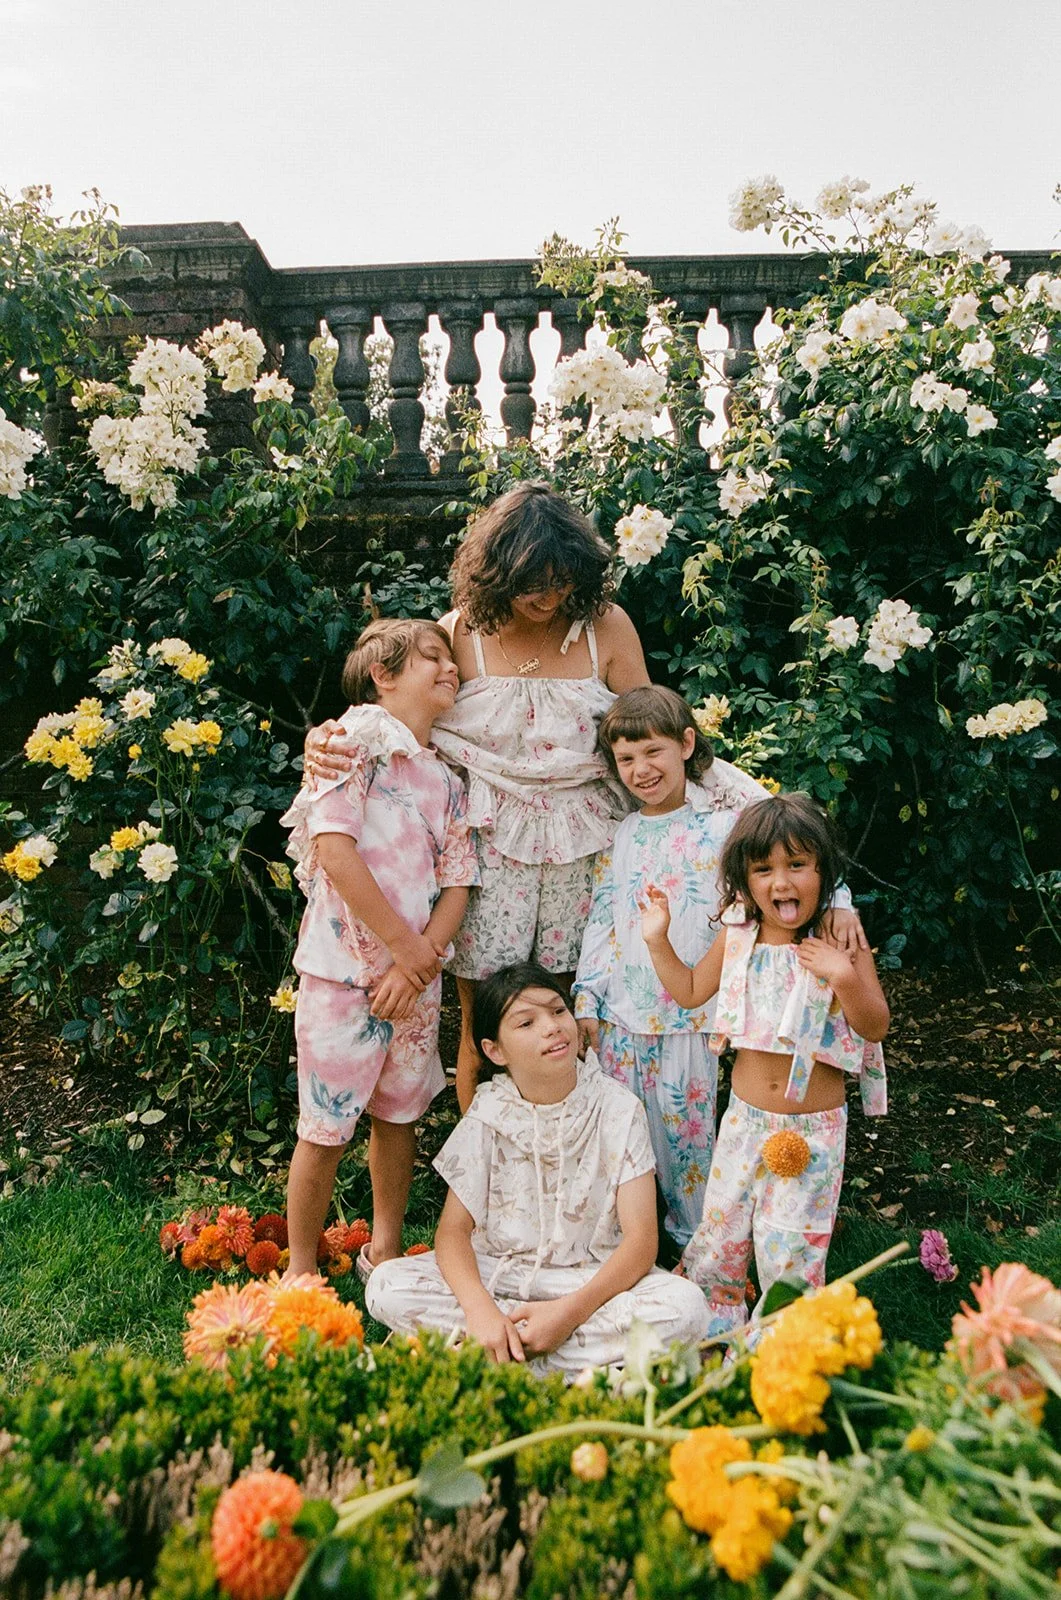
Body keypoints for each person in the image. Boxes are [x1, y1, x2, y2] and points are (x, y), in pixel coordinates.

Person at [303, 483, 650, 1109]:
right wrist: (324, 738)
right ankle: (484, 1162)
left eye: (562, 580)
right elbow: (394, 718)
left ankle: (565, 1152)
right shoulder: (459, 633)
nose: (549, 597)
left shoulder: (607, 627)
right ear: (497, 574)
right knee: (484, 1022)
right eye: (531, 583)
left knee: (567, 1014)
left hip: (586, 847)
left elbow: (649, 730)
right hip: (487, 849)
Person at [573, 687, 865, 1252]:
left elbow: (794, 863)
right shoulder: (622, 833)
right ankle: (623, 1248)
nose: (640, 769)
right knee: (623, 1140)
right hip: (623, 1020)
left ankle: (699, 1254)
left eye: (652, 752)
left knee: (691, 1151)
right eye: (626, 759)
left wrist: (841, 902)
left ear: (686, 745)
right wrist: (589, 998)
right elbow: (603, 917)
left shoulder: (725, 823)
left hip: (696, 1018)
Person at [365, 963, 709, 1375]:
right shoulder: (488, 1111)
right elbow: (453, 1233)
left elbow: (641, 1242)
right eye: (527, 1022)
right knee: (386, 1285)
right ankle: (544, 1355)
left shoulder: (619, 1108)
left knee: (686, 1307)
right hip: (499, 1273)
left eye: (558, 1011)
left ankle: (498, 1355)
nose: (552, 1027)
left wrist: (567, 1314)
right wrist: (480, 1312)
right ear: (495, 1051)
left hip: (586, 1281)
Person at [639, 792, 889, 1336]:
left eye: (797, 865)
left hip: (812, 1132)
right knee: (720, 1238)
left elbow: (874, 1025)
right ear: (745, 880)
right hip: (744, 1123)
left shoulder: (839, 939)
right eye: (763, 870)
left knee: (791, 1248)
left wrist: (843, 976)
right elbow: (690, 990)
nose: (781, 882)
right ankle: (711, 1334)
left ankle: (781, 1346)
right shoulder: (739, 937)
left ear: (822, 871)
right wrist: (657, 939)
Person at [279, 619, 479, 1279]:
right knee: (325, 1126)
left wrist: (420, 961)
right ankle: (301, 1268)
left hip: (414, 980)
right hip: (343, 974)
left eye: (452, 660)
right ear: (382, 675)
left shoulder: (447, 777)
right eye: (432, 657)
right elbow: (335, 851)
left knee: (400, 1117)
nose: (449, 668)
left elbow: (458, 882)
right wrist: (404, 950)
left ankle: (384, 1252)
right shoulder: (351, 745)